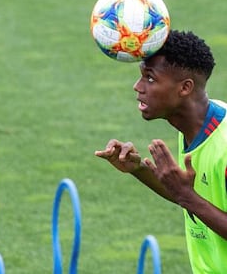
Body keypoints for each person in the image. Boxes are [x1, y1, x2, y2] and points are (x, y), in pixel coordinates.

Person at [94, 30, 227, 273]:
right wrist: (138, 169)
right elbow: (188, 196)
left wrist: (188, 197)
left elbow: (189, 198)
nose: (138, 87)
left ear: (185, 88)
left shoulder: (225, 147)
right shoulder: (194, 124)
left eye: (150, 78)